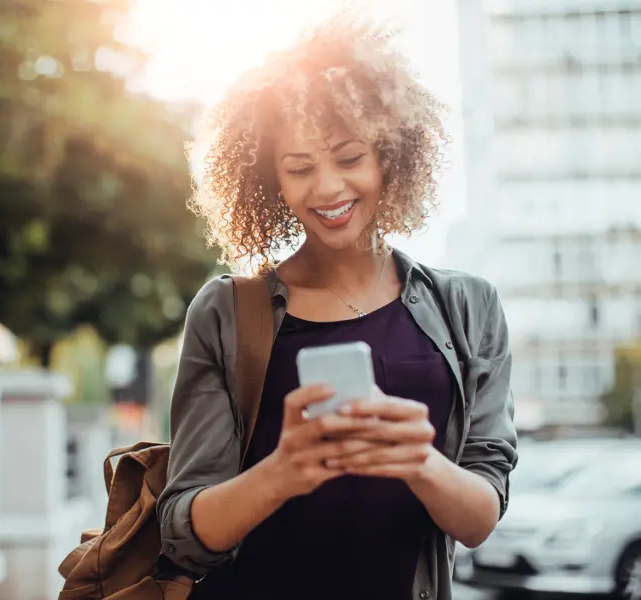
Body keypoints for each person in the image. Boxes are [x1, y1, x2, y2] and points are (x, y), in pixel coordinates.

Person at [156, 10, 518, 600]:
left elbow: (479, 519)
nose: (326, 189)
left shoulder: (468, 307)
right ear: (271, 179)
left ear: (391, 157)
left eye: (349, 158)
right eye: (299, 168)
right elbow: (184, 533)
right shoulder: (226, 312)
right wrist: (284, 470)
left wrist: (416, 460)